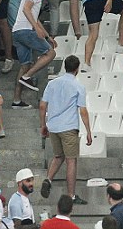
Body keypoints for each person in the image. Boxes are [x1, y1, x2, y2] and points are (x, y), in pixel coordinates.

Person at [39, 55, 91, 206]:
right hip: (68, 126)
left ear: (65, 66)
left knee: (58, 156)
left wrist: (43, 125)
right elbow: (83, 111)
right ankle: (71, 195)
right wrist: (88, 131)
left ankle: (48, 179)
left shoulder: (52, 83)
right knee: (71, 160)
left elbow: (42, 106)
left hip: (53, 126)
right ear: (77, 69)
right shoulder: (78, 86)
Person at [12, 0, 58, 106]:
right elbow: (27, 9)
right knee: (50, 53)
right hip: (25, 31)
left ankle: (16, 100)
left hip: (17, 32)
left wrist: (48, 36)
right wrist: (36, 28)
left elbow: (34, 16)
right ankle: (27, 77)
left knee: (25, 65)